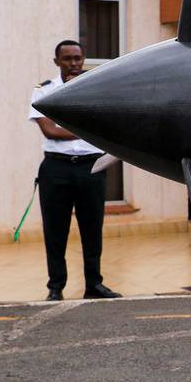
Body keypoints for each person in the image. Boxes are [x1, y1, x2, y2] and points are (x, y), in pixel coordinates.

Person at [29, 40, 121, 301]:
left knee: (92, 229)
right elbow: (50, 131)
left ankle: (94, 284)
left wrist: (87, 131)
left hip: (91, 168)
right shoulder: (44, 91)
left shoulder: (96, 89)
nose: (73, 63)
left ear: (83, 59)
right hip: (56, 168)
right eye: (67, 58)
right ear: (56, 61)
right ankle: (55, 286)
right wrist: (86, 129)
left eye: (77, 58)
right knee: (55, 229)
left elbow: (106, 127)